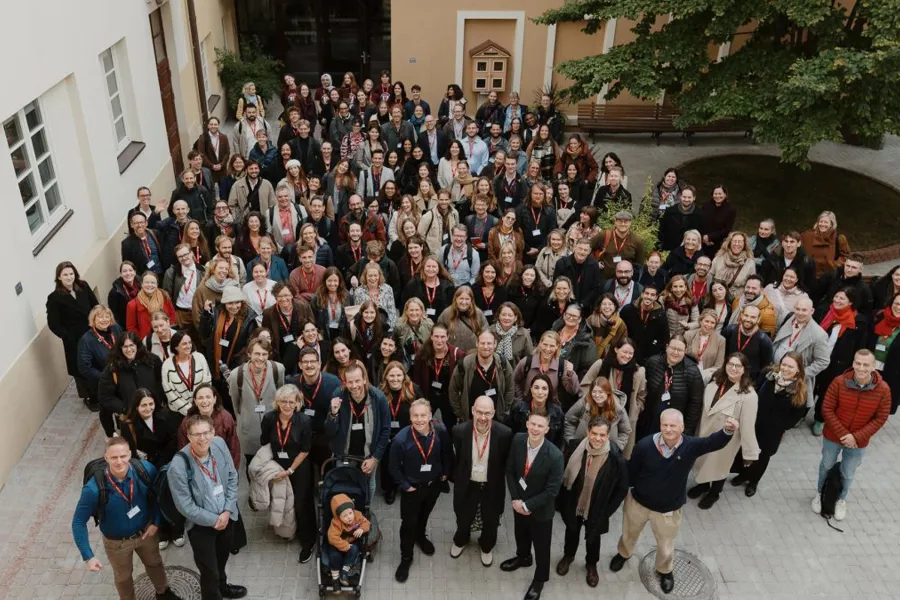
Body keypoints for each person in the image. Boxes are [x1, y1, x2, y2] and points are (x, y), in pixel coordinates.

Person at [609, 409, 738, 593]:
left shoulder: (690, 445)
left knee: (665, 544)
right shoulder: (645, 446)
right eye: (665, 425)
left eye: (673, 425)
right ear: (660, 425)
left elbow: (712, 442)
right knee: (629, 533)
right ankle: (623, 554)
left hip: (668, 509)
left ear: (682, 427)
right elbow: (631, 472)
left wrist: (727, 431)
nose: (668, 429)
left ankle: (664, 570)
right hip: (638, 503)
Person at [72, 437, 181, 600]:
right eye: (114, 457)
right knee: (123, 577)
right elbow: (78, 522)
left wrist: (156, 522)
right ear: (106, 457)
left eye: (123, 456)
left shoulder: (145, 470)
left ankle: (163, 593)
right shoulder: (93, 489)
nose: (119, 461)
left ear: (130, 454)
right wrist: (88, 556)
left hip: (146, 533)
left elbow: (158, 496)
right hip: (117, 543)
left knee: (155, 563)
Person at [167, 414, 246, 599]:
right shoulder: (178, 465)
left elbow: (232, 476)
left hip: (227, 517)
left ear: (213, 432)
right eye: (196, 434)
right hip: (201, 527)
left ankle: (222, 587)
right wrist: (214, 520)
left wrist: (227, 510)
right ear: (188, 436)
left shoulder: (219, 444)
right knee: (209, 570)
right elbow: (185, 505)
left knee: (221, 559)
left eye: (206, 433)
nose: (202, 438)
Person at [811, 350, 891, 520]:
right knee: (826, 465)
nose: (861, 368)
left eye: (866, 364)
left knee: (848, 473)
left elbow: (881, 418)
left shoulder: (883, 390)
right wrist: (844, 435)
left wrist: (856, 437)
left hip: (858, 442)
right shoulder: (839, 382)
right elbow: (827, 408)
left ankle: (841, 499)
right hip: (833, 436)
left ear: (874, 366)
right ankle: (820, 493)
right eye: (858, 363)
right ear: (853, 363)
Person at [556, 416, 629, 588]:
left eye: (602, 435)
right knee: (571, 531)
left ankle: (591, 565)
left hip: (597, 508)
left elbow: (622, 488)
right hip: (574, 503)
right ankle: (568, 556)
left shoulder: (616, 458)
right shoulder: (575, 447)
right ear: (588, 432)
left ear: (608, 435)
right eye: (594, 433)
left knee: (593, 538)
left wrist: (607, 512)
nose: (597, 438)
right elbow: (562, 473)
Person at [500, 411, 565, 600]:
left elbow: (552, 491)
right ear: (527, 424)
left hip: (540, 511)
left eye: (540, 426)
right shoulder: (518, 440)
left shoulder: (555, 456)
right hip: (518, 502)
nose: (535, 429)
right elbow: (510, 470)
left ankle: (540, 579)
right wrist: (515, 499)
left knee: (542, 547)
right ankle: (523, 558)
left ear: (547, 429)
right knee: (520, 534)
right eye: (533, 424)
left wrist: (527, 505)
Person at [389, 399, 453, 583]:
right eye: (415, 415)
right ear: (410, 417)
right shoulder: (400, 440)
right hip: (412, 490)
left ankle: (420, 537)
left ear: (430, 415)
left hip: (433, 486)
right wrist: (406, 486)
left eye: (423, 415)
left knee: (424, 515)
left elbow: (447, 453)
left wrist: (445, 474)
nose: (419, 419)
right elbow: (393, 467)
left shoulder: (440, 431)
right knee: (408, 524)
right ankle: (406, 557)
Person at [688, 353, 760, 509]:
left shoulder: (748, 396)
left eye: (738, 366)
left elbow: (748, 426)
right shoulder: (715, 381)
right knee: (703, 462)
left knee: (719, 466)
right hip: (705, 433)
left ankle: (714, 493)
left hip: (726, 441)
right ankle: (703, 485)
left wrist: (749, 454)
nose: (733, 368)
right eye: (730, 364)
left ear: (744, 370)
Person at [449, 395, 513, 567]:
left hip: (492, 486)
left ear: (493, 413)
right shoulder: (459, 431)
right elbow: (458, 459)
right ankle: (461, 540)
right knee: (463, 517)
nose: (483, 417)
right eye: (479, 412)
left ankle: (486, 546)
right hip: (468, 485)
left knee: (491, 520)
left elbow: (505, 461)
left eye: (487, 413)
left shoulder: (504, 434)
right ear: (472, 411)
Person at [732, 353, 808, 496]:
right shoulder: (768, 375)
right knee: (746, 450)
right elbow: (754, 390)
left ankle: (753, 482)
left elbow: (795, 416)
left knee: (762, 458)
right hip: (754, 423)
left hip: (772, 432)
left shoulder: (799, 391)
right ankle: (743, 475)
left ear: (798, 370)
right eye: (784, 364)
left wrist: (779, 425)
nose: (785, 369)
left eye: (790, 366)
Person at [255, 384, 316, 562]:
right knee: (282, 499)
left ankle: (308, 540)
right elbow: (265, 443)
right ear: (277, 402)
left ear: (297, 403)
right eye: (283, 401)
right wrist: (272, 468)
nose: (287, 405)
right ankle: (288, 530)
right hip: (277, 466)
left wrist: (290, 470)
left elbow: (305, 450)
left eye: (291, 402)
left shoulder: (304, 421)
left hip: (298, 466)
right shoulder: (269, 418)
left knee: (302, 502)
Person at [325, 362, 391, 502]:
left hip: (368, 455)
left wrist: (375, 458)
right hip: (344, 454)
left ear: (364, 380)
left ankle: (365, 511)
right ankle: (346, 512)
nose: (354, 386)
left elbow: (385, 430)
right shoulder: (338, 395)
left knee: (368, 485)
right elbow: (330, 432)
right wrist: (333, 414)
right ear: (345, 382)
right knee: (344, 486)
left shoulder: (378, 398)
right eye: (350, 382)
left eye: (357, 381)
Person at [811, 289, 867, 435]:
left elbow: (859, 345)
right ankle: (800, 413)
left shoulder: (858, 321)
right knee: (810, 386)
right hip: (817, 357)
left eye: (842, 298)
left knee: (827, 392)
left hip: (838, 363)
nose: (837, 300)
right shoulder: (824, 311)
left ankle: (819, 419)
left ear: (851, 302)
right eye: (836, 296)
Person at [47, 262, 100, 409]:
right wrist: (68, 336)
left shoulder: (83, 286)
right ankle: (90, 397)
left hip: (92, 332)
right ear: (59, 277)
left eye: (71, 274)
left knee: (97, 361)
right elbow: (54, 324)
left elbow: (95, 305)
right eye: (65, 275)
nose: (69, 277)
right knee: (82, 368)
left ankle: (102, 391)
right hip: (74, 340)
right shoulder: (54, 298)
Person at [228, 339, 285, 469]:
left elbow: (280, 396)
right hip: (249, 432)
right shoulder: (236, 375)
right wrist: (243, 421)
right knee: (252, 469)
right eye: (257, 354)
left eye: (264, 354)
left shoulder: (278, 369)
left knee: (273, 469)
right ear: (249, 354)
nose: (261, 358)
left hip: (273, 431)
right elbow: (236, 404)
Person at [636, 338, 705, 439]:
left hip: (673, 426)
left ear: (685, 351)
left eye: (680, 350)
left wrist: (686, 432)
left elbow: (695, 405)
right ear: (667, 347)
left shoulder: (693, 372)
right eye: (673, 348)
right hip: (650, 420)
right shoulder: (653, 362)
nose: (675, 352)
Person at [77, 305, 124, 437]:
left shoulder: (116, 328)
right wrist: (105, 377)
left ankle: (122, 425)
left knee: (122, 403)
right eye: (100, 317)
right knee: (106, 410)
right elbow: (84, 367)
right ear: (93, 319)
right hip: (102, 381)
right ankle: (110, 434)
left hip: (121, 376)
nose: (104, 319)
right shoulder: (86, 340)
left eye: (107, 316)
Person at [449, 328, 515, 421]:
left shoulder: (503, 364)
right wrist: (461, 414)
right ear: (477, 343)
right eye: (483, 343)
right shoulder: (465, 364)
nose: (486, 346)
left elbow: (510, 389)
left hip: (496, 419)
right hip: (471, 419)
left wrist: (503, 411)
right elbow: (453, 390)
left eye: (489, 343)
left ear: (495, 344)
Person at [411, 323, 465, 430]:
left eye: (442, 337)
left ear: (447, 337)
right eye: (436, 336)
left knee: (450, 428)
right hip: (428, 396)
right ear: (431, 336)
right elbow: (416, 380)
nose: (439, 340)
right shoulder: (422, 354)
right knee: (423, 425)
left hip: (448, 398)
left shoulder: (457, 354)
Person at [512, 330, 580, 407]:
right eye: (545, 344)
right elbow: (514, 381)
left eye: (552, 346)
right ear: (540, 344)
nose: (548, 349)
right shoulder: (527, 362)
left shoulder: (562, 366)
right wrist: (520, 400)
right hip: (527, 406)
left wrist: (570, 374)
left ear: (557, 346)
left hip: (552, 409)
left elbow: (573, 390)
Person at [564, 376, 631, 451]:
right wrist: (571, 441)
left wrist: (617, 447)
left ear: (608, 392)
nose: (597, 395)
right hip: (582, 448)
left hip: (607, 451)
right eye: (594, 392)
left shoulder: (617, 408)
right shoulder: (584, 402)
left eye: (600, 392)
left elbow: (625, 431)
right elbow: (569, 420)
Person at [161, 331, 213, 420]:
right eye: (184, 344)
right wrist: (189, 410)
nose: (188, 346)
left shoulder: (200, 357)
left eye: (189, 342)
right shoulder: (167, 365)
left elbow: (207, 382)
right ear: (176, 347)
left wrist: (200, 406)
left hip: (202, 408)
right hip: (179, 413)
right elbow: (170, 392)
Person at [325, 493, 370, 593]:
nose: (349, 517)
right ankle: (335, 580)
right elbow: (332, 538)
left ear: (353, 510)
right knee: (334, 557)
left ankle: (344, 572)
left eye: (350, 513)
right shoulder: (336, 523)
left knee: (355, 549)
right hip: (337, 545)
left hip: (351, 543)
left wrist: (362, 529)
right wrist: (345, 546)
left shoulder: (357, 515)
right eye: (344, 516)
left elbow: (366, 523)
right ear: (338, 516)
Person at [722, 304, 774, 381]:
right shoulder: (729, 330)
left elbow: (765, 367)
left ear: (758, 319)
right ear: (741, 315)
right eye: (746, 315)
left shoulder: (764, 341)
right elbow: (722, 354)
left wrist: (755, 384)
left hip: (748, 381)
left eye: (753, 317)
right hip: (727, 376)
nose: (748, 319)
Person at [620, 285, 670, 364]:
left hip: (649, 356)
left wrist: (655, 348)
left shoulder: (661, 314)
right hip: (629, 352)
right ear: (642, 294)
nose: (649, 297)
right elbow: (620, 329)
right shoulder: (628, 310)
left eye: (652, 295)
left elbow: (664, 337)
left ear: (656, 297)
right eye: (647, 293)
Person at [813, 252, 873, 317]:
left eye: (854, 267)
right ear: (844, 264)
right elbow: (816, 293)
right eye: (847, 266)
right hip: (824, 313)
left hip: (845, 318)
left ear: (860, 269)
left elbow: (866, 312)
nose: (849, 270)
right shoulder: (832, 276)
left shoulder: (863, 289)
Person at [552, 238, 603, 310]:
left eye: (585, 250)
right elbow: (556, 285)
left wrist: (583, 304)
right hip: (564, 304)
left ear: (589, 252)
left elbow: (596, 288)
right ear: (575, 248)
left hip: (584, 306)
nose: (582, 252)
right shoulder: (562, 263)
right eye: (580, 248)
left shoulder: (594, 265)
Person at [870, 292, 900, 415]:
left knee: (880, 408)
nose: (898, 307)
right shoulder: (879, 317)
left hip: (892, 374)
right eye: (897, 303)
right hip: (869, 369)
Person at [801, 210, 851, 278]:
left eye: (826, 222)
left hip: (829, 276)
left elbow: (845, 256)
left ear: (832, 224)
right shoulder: (806, 236)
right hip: (809, 276)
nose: (822, 224)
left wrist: (835, 265)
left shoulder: (839, 238)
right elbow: (798, 251)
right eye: (821, 221)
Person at [709, 231, 756, 301]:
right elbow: (710, 276)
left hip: (736, 300)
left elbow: (752, 284)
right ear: (729, 243)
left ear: (744, 244)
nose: (736, 244)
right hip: (716, 297)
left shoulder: (750, 263)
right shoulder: (719, 258)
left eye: (740, 242)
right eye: (734, 241)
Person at [683, 309, 727, 384]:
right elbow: (683, 358)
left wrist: (702, 375)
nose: (709, 325)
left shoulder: (721, 340)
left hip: (707, 377)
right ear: (700, 321)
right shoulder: (688, 335)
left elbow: (718, 366)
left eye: (712, 323)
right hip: (687, 374)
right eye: (706, 321)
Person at [699, 184, 736, 257]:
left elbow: (727, 230)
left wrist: (710, 237)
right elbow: (700, 222)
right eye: (715, 194)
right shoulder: (706, 206)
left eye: (720, 193)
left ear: (725, 194)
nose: (717, 196)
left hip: (719, 242)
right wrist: (703, 237)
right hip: (702, 240)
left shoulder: (731, 210)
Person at [661, 275, 700, 339]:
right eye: (675, 286)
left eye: (681, 286)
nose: (678, 290)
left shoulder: (691, 301)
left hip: (683, 336)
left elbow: (697, 322)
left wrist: (688, 325)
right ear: (671, 288)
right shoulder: (664, 299)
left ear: (685, 287)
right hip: (666, 335)